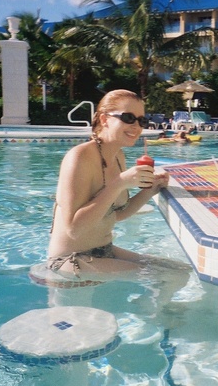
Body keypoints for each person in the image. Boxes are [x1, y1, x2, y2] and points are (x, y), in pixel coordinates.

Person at [47, 89, 170, 277]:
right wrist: (119, 183)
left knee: (179, 270)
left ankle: (148, 307)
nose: (137, 126)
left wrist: (150, 190)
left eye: (141, 120)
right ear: (105, 120)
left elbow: (116, 215)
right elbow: (74, 229)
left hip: (104, 251)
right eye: (128, 117)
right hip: (70, 260)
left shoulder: (118, 156)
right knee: (167, 275)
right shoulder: (80, 157)